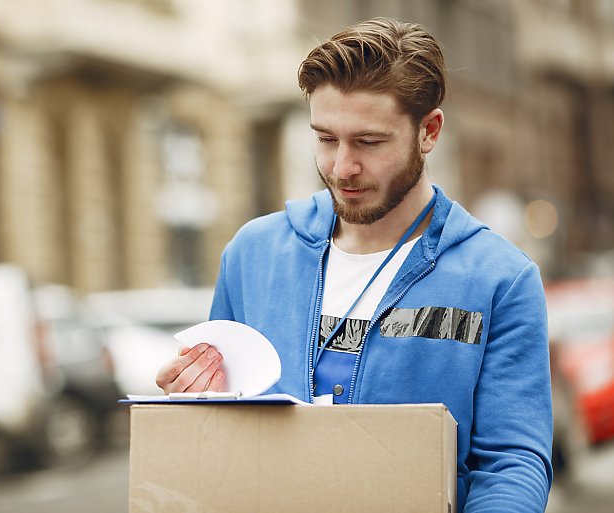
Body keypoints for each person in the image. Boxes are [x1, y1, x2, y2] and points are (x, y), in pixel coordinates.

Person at [155, 17, 552, 513]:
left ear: (428, 132)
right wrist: (193, 404)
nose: (343, 167)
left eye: (368, 142)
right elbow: (219, 441)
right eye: (325, 139)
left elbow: (511, 463)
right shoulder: (252, 254)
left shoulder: (499, 278)